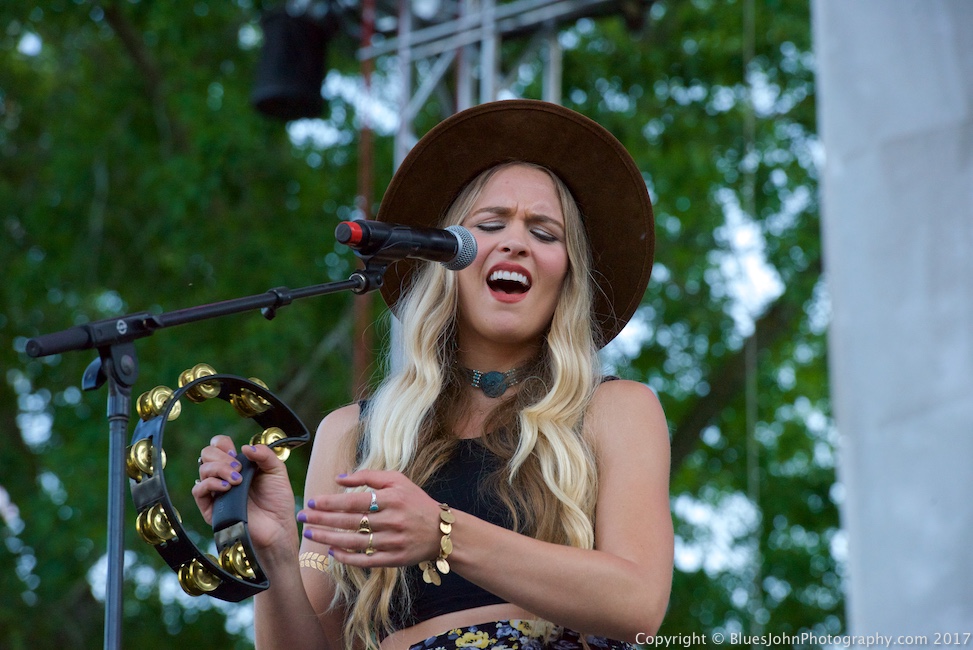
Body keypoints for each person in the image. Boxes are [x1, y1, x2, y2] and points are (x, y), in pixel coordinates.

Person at [193, 99, 673, 650]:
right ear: (444, 261)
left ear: (568, 277)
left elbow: (638, 605)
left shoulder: (615, 409)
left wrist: (442, 533)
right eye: (489, 225)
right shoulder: (350, 435)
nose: (514, 241)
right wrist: (275, 550)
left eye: (544, 233)